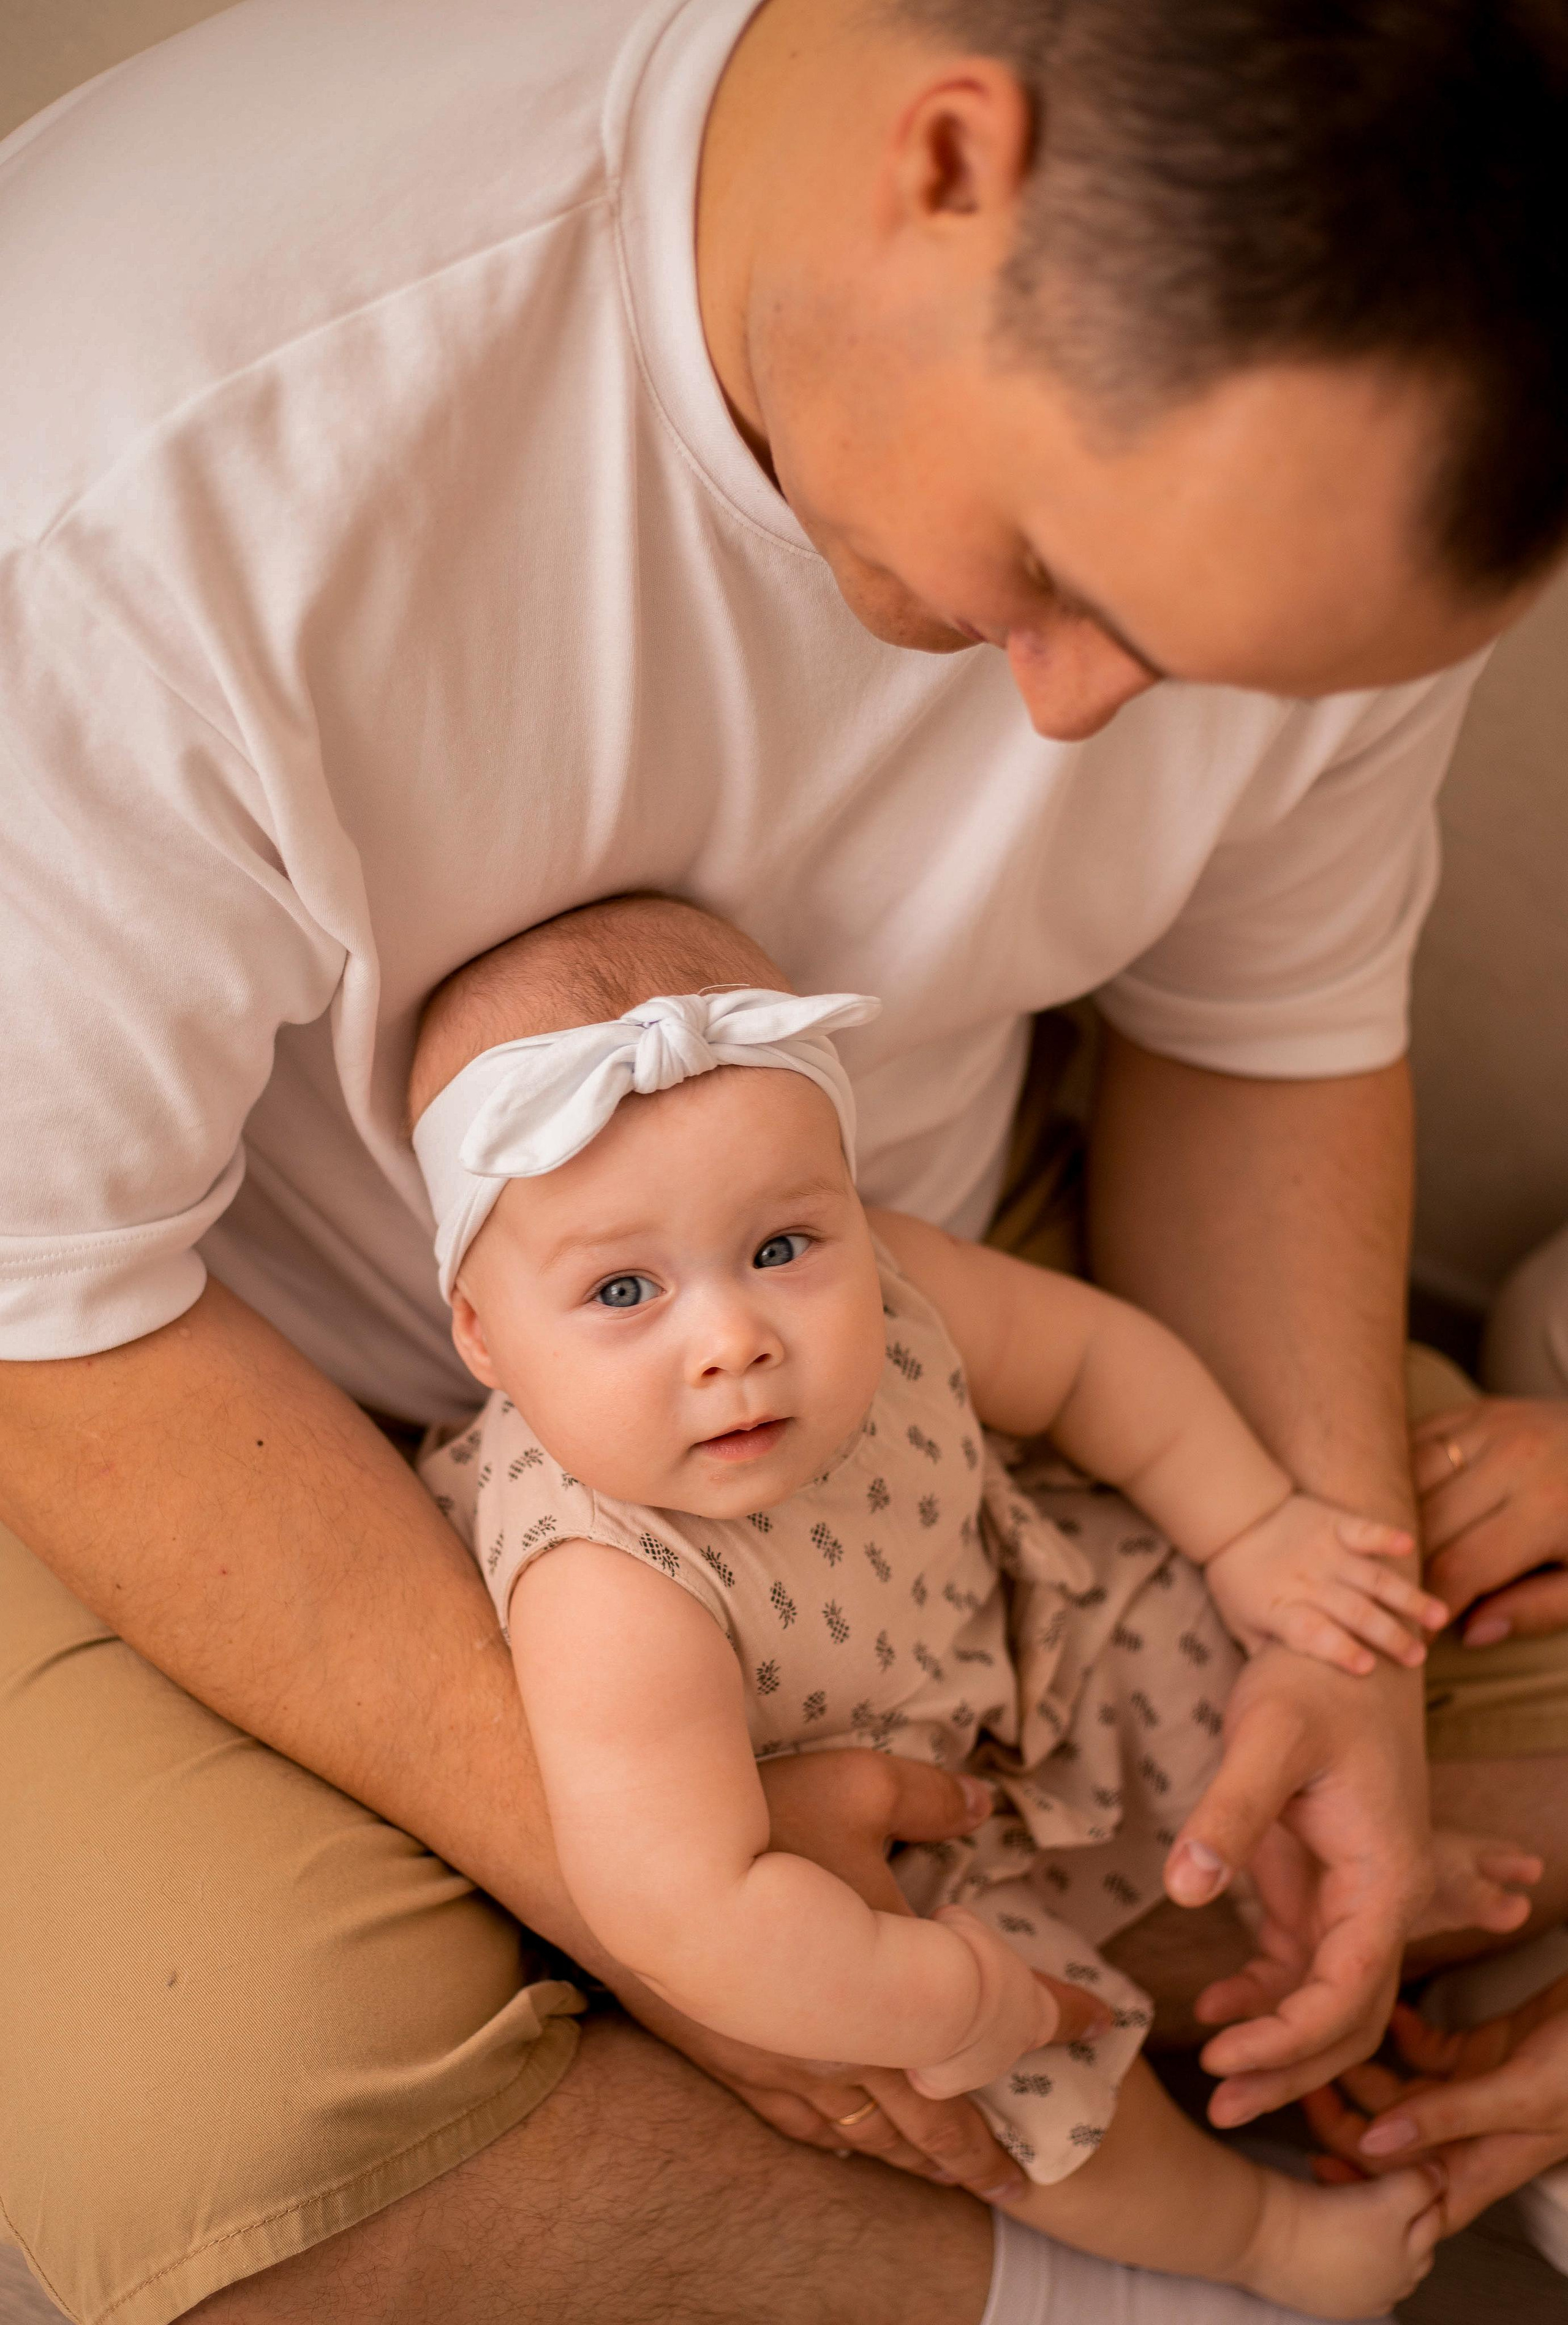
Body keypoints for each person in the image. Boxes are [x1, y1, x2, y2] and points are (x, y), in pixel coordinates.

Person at [3, 2, 1568, 2321]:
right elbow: (67, 1317)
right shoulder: (147, 454)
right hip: (220, 1404)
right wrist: (669, 1882)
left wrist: (1310, 1606)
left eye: (1199, 659)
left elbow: (1252, 1039)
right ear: (947, 160)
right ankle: (1157, 2260)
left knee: (1467, 1667)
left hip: (909, 1291)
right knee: (227, 2137)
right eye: (1057, 569)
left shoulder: (1353, 424)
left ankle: (1322, 2109)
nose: (1061, 717)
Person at [407, 893, 1513, 2315]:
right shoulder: (604, 1584)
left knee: (1266, 1657)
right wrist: (933, 1994)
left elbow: (1089, 1367)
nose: (731, 1336)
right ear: (486, 1338)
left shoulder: (899, 1278)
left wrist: (1251, 1526)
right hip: (835, 1855)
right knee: (1026, 2098)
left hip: (1007, 1626)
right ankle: (1257, 2239)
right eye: (624, 1287)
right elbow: (682, 1903)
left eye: (780, 1246)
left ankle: (1370, 1901)